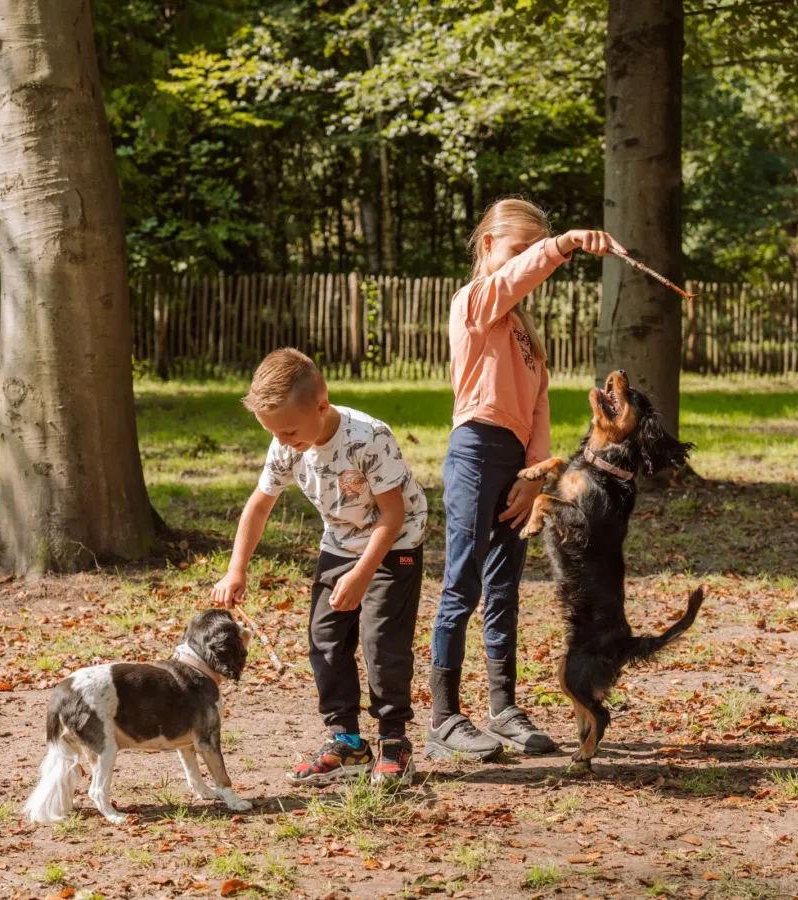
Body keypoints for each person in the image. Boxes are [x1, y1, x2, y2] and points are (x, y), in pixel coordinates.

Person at [426, 197, 625, 761]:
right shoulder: (474, 302)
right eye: (518, 249)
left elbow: (538, 409)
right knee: (462, 584)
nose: (526, 264)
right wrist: (560, 245)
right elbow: (515, 277)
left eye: (531, 249)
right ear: (488, 246)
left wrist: (534, 479)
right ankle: (443, 718)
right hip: (474, 451)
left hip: (515, 464)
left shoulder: (524, 333)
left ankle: (502, 707)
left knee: (504, 586)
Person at [211, 348, 427, 786]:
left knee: (381, 641)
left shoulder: (369, 438)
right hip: (340, 540)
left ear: (321, 406)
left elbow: (393, 516)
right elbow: (259, 506)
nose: (284, 440)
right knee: (326, 638)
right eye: (275, 433)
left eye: (289, 430)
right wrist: (237, 569)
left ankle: (393, 742)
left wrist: (363, 573)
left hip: (394, 542)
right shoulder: (287, 443)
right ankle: (347, 742)